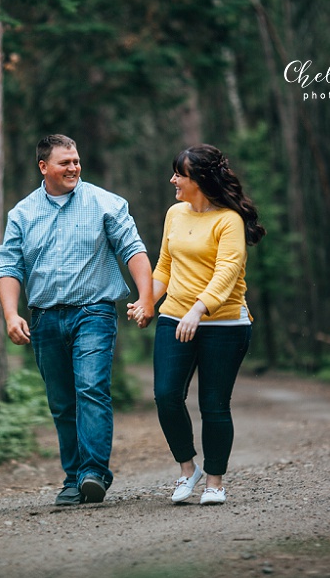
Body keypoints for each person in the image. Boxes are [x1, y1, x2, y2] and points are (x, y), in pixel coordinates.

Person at [0, 134, 154, 506]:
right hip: (45, 319)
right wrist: (10, 314)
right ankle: (72, 478)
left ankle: (93, 473)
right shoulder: (22, 214)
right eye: (65, 162)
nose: (73, 168)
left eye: (76, 161)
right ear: (43, 167)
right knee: (62, 402)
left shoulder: (105, 203)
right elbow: (9, 266)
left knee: (91, 388)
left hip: (93, 312)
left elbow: (134, 250)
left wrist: (146, 297)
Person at [129, 144, 265, 505]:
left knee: (214, 404)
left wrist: (198, 310)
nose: (173, 179)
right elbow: (166, 266)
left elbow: (227, 272)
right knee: (167, 396)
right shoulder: (175, 214)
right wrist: (147, 302)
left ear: (200, 180)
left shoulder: (228, 220)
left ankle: (215, 482)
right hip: (175, 317)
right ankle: (189, 470)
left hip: (225, 323)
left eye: (180, 174)